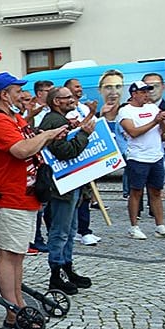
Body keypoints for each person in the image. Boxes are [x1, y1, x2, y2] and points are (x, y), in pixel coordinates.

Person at [0, 73, 68, 329]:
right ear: (3, 95)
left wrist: (48, 135)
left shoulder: (14, 117)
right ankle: (12, 310)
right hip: (9, 195)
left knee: (17, 254)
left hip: (25, 194)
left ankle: (17, 302)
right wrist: (48, 135)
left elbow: (30, 139)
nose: (22, 94)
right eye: (17, 90)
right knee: (9, 254)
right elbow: (21, 150)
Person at [38, 87, 97, 295]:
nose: (73, 100)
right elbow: (65, 152)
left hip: (70, 183)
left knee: (70, 230)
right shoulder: (52, 121)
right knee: (60, 231)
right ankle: (56, 274)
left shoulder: (58, 119)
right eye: (68, 97)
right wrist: (83, 134)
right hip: (61, 184)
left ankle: (67, 267)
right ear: (57, 102)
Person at [118, 81, 165, 239]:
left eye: (147, 91)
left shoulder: (152, 107)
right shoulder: (125, 111)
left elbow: (163, 131)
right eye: (143, 92)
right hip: (138, 157)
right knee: (136, 192)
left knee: (156, 191)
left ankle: (160, 225)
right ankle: (134, 226)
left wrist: (163, 121)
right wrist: (154, 121)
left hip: (156, 155)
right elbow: (133, 132)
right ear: (134, 94)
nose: (147, 94)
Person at [64, 79, 102, 246]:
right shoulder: (68, 110)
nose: (80, 89)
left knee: (86, 195)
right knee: (76, 196)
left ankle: (84, 229)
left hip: (86, 153)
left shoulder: (84, 107)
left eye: (80, 86)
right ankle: (78, 230)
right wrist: (91, 114)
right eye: (76, 87)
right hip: (73, 155)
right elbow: (78, 128)